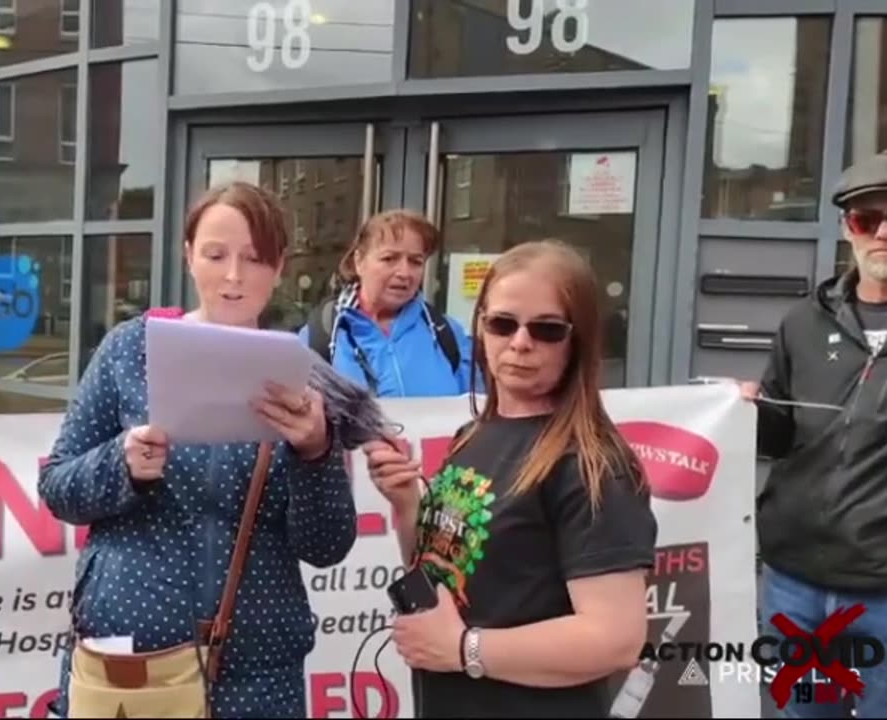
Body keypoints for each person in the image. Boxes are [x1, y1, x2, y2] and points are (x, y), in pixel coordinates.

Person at [38, 181, 359, 719]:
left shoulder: (304, 378)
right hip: (134, 660)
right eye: (215, 255)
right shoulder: (129, 349)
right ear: (188, 257)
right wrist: (121, 464)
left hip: (257, 676)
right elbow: (58, 489)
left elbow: (326, 545)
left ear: (279, 266)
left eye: (254, 259)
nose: (233, 276)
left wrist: (314, 453)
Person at [361, 240, 658, 717]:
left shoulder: (590, 464)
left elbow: (615, 639)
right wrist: (406, 507)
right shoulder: (471, 436)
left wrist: (464, 649)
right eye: (502, 324)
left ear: (576, 340)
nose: (520, 342)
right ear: (480, 329)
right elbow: (443, 572)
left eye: (546, 329)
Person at [735, 148, 887, 718]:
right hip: (795, 587)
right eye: (866, 219)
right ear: (846, 229)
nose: (884, 232)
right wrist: (745, 414)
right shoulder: (805, 322)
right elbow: (779, 436)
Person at [297, 209, 484, 397]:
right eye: (389, 259)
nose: (404, 272)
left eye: (415, 262)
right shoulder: (320, 335)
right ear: (359, 262)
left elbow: (475, 415)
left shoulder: (449, 334)